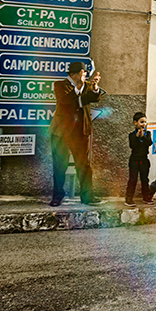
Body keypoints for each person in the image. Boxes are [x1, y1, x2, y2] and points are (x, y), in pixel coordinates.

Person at [49, 61, 103, 207]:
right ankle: (57, 196)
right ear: (74, 74)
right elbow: (65, 101)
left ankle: (87, 196)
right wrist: (79, 87)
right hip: (61, 132)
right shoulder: (59, 85)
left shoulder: (86, 85)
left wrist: (95, 86)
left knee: (84, 165)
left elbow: (94, 97)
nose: (85, 74)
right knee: (60, 165)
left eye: (85, 72)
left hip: (81, 131)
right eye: (83, 72)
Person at [126, 112, 152, 207]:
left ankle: (146, 197)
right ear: (135, 123)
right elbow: (132, 145)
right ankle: (129, 198)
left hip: (144, 160)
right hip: (134, 160)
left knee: (145, 179)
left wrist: (143, 137)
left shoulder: (148, 134)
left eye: (145, 122)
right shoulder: (132, 135)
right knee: (133, 180)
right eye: (141, 122)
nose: (143, 124)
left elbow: (149, 143)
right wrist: (137, 137)